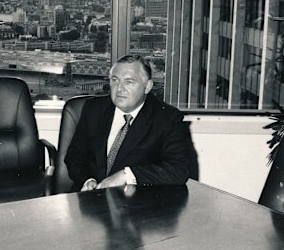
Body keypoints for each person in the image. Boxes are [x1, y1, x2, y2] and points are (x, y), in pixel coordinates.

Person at [64, 54, 190, 192]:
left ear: (147, 87)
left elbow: (179, 170)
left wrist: (127, 175)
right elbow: (75, 155)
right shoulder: (94, 109)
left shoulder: (166, 118)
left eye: (129, 82)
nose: (119, 89)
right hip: (89, 198)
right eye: (115, 80)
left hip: (135, 203)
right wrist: (87, 180)